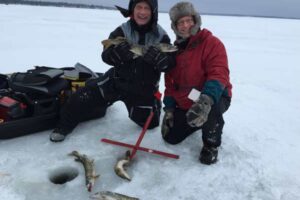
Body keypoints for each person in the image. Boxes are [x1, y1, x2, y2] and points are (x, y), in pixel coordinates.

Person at [50, 0, 176, 142]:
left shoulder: (161, 36)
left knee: (150, 124)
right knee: (81, 96)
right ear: (132, 10)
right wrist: (115, 55)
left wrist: (162, 61)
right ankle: (63, 127)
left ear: (153, 11)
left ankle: (149, 107)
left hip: (143, 89)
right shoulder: (122, 30)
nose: (142, 12)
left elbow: (170, 64)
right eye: (138, 7)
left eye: (146, 8)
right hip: (116, 81)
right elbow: (106, 55)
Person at [161, 2, 232, 165]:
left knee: (210, 108)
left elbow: (218, 73)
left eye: (188, 20)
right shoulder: (174, 51)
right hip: (188, 98)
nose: (185, 25)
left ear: (196, 20)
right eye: (180, 22)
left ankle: (211, 144)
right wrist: (170, 108)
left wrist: (204, 101)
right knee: (171, 137)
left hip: (215, 95)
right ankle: (197, 121)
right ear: (175, 27)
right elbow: (170, 84)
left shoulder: (212, 43)